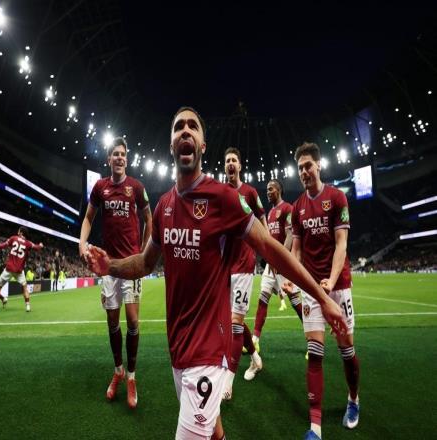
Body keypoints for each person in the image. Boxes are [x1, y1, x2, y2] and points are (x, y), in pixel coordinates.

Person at [84, 107, 347, 440]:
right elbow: (145, 263)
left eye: (193, 126)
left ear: (202, 145)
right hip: (178, 349)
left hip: (209, 351)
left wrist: (322, 298)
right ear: (171, 144)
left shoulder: (223, 198)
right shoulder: (164, 206)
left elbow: (270, 249)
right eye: (179, 126)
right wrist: (109, 266)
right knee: (214, 432)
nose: (185, 130)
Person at [291, 142, 360, 440]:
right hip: (312, 288)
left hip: (338, 285)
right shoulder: (297, 207)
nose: (304, 172)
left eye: (308, 166)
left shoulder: (337, 197)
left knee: (346, 351)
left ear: (319, 166)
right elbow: (296, 249)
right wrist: (292, 277)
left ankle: (353, 399)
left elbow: (341, 244)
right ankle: (315, 426)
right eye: (300, 168)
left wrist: (331, 281)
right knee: (315, 353)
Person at [79, 136, 152, 410]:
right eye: (115, 154)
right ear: (108, 159)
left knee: (132, 321)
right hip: (108, 266)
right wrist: (82, 243)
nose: (119, 158)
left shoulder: (137, 187)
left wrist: (143, 253)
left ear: (126, 159)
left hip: (131, 264)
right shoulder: (100, 187)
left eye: (123, 154)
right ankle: (118, 371)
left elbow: (149, 219)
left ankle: (131, 377)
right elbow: (88, 218)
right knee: (112, 321)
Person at [222, 147, 265, 398]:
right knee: (232, 320)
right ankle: (255, 358)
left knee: (235, 323)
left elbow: (262, 220)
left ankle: (228, 381)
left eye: (234, 160)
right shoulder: (221, 193)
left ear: (239, 166)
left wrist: (263, 249)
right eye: (227, 160)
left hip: (244, 265)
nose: (230, 163)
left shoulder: (249, 192)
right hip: (225, 266)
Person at [251, 179, 304, 354]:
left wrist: (280, 257)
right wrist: (269, 257)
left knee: (295, 302)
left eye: (271, 189)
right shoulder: (271, 213)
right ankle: (255, 340)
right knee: (262, 298)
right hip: (271, 263)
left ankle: (313, 339)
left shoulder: (287, 208)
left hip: (283, 263)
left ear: (279, 190)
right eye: (267, 189)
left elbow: (290, 235)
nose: (268, 192)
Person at [0, 226, 43, 313]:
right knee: (24, 287)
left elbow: (4, 245)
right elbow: (37, 247)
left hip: (9, 269)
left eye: (19, 230)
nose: (17, 231)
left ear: (21, 232)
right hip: (19, 271)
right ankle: (28, 306)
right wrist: (40, 245)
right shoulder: (28, 243)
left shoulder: (13, 238)